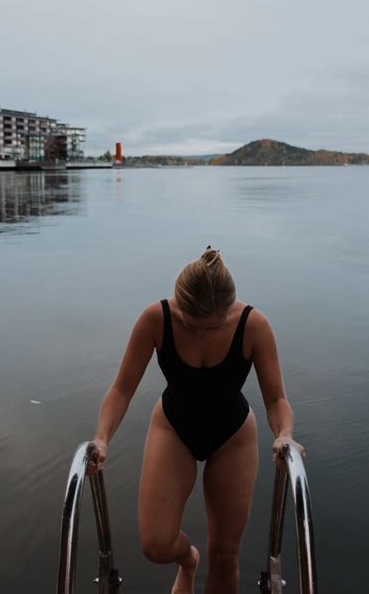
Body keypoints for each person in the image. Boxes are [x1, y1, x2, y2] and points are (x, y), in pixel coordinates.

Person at [87, 246, 306, 594]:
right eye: (193, 326)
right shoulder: (155, 319)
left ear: (228, 311)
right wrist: (101, 438)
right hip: (174, 427)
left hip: (233, 435)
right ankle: (188, 561)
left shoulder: (254, 326)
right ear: (180, 307)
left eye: (214, 327)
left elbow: (276, 399)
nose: (203, 335)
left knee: (224, 555)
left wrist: (284, 434)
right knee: (156, 544)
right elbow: (122, 389)